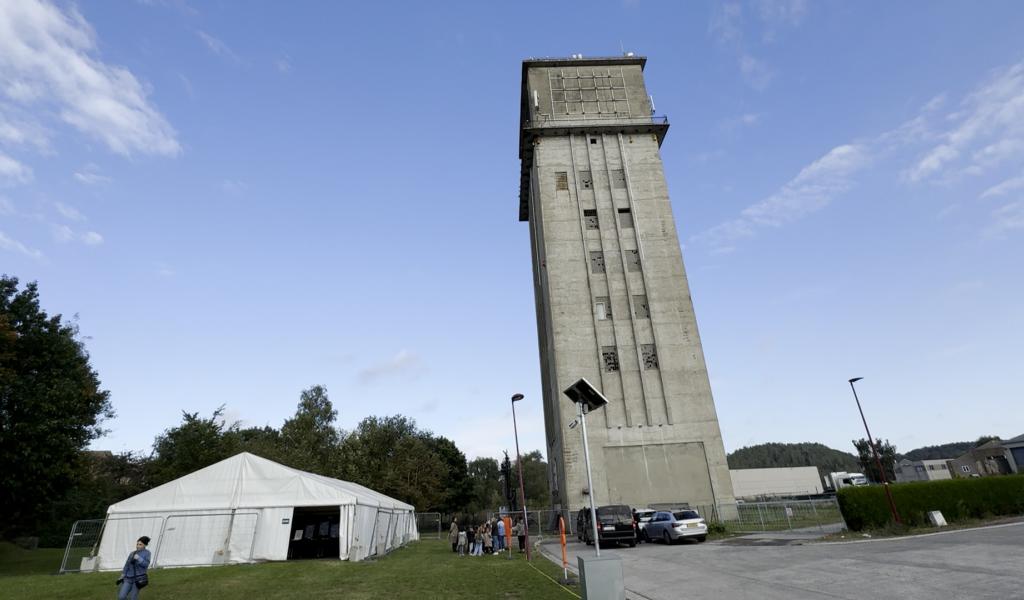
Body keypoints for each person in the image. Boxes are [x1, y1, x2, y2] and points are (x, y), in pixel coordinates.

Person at [116, 536, 151, 600]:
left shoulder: (147, 553)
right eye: (137, 544)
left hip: (138, 579)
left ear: (145, 545)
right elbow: (127, 565)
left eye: (140, 544)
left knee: (133, 598)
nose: (138, 546)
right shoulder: (132, 553)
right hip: (128, 578)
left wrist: (139, 558)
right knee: (121, 597)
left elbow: (146, 564)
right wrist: (123, 574)